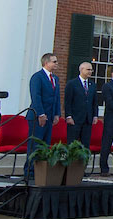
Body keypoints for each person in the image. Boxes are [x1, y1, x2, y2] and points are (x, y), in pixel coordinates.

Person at [26, 53, 61, 185]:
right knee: (35, 146)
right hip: (37, 117)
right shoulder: (37, 77)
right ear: (46, 63)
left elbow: (56, 97)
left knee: (45, 145)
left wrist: (57, 113)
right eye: (54, 61)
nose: (56, 64)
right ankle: (29, 172)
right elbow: (36, 97)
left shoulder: (55, 79)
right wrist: (40, 114)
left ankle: (41, 172)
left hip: (50, 116)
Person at [62, 62, 97, 148]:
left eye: (91, 70)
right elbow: (67, 101)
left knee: (85, 145)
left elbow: (94, 102)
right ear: (81, 70)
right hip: (75, 119)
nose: (90, 71)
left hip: (87, 120)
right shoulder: (72, 84)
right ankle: (71, 161)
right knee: (72, 145)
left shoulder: (92, 85)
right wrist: (68, 116)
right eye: (88, 69)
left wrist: (95, 115)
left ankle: (83, 162)